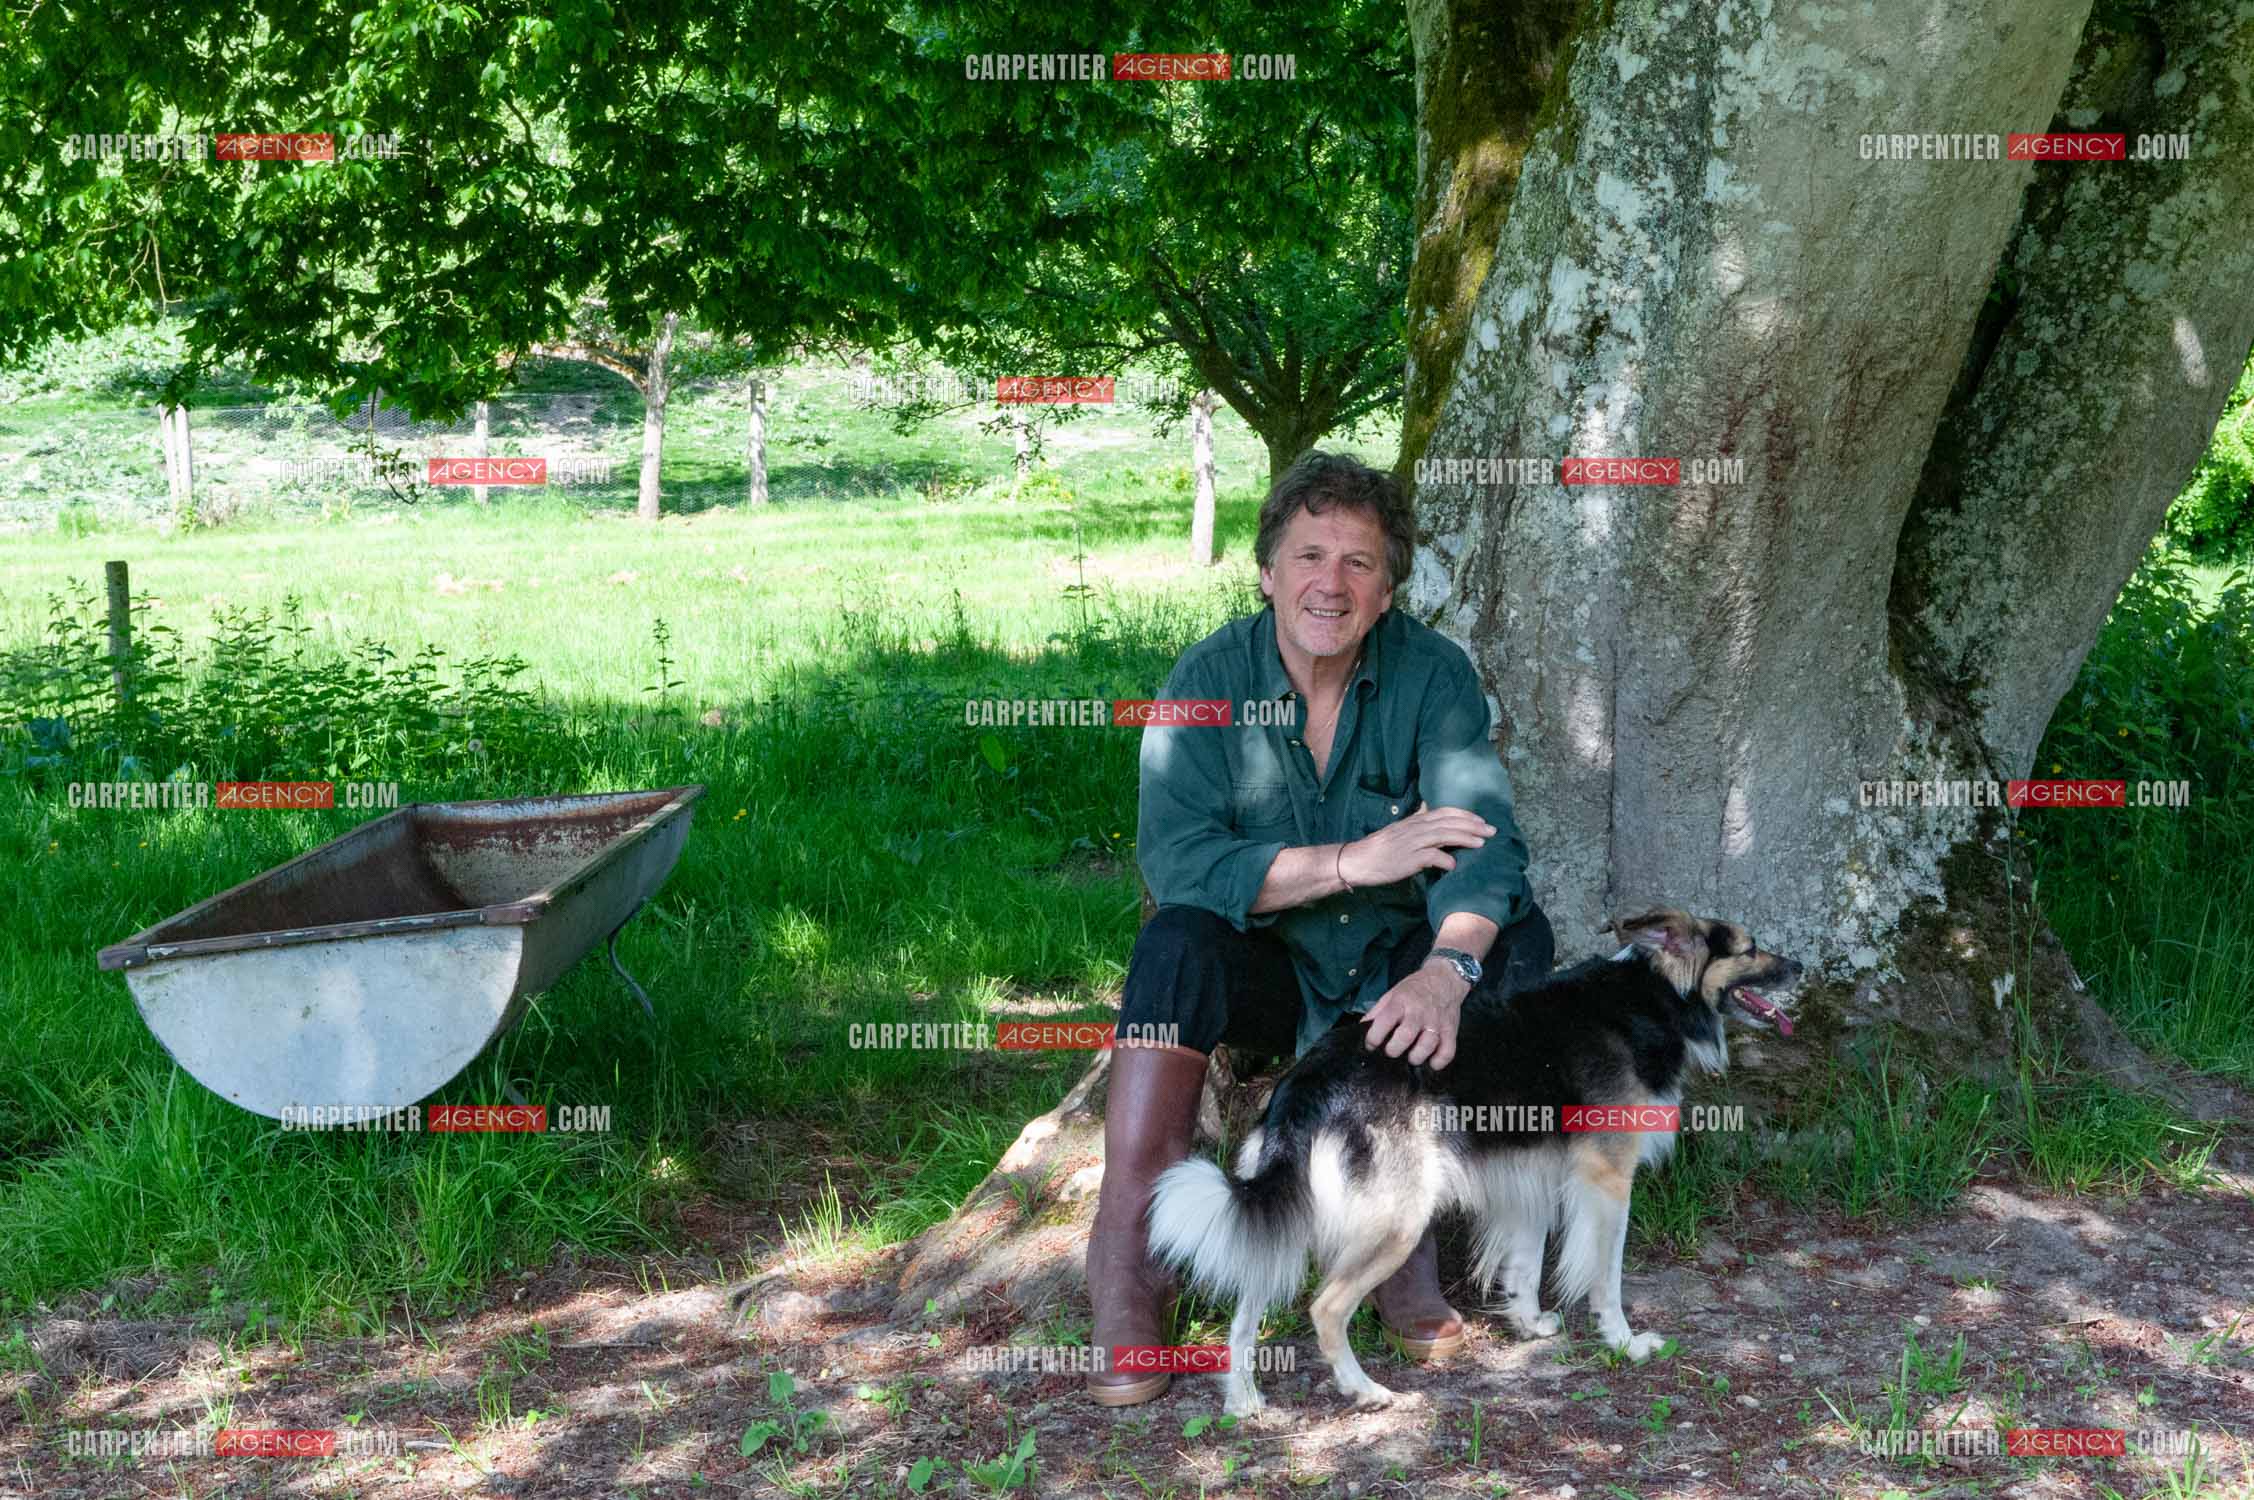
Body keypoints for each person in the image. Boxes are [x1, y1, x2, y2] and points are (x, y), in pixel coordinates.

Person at [1086, 449, 1555, 1405]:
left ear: (1387, 590)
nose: (1329, 585)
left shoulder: (1433, 676)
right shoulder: (1206, 679)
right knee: (1173, 945)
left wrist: (1447, 970)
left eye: (1358, 563)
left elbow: (1485, 846)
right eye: (1308, 557)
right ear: (1267, 572)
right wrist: (1350, 861)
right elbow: (1180, 861)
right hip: (1275, 968)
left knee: (1513, 939)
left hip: (1394, 968)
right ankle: (1128, 1262)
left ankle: (1401, 1226)